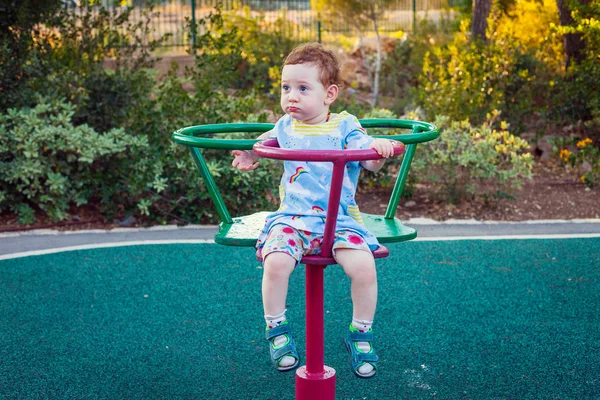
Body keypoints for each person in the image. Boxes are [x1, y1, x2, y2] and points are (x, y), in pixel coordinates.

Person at [231, 42, 395, 379]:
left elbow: (369, 161)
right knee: (275, 263)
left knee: (364, 268)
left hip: (339, 220)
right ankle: (276, 330)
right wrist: (251, 155)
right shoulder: (284, 127)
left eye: (303, 88)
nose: (292, 95)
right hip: (293, 220)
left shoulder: (345, 126)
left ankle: (361, 334)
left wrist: (377, 150)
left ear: (329, 94)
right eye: (286, 87)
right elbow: (264, 144)